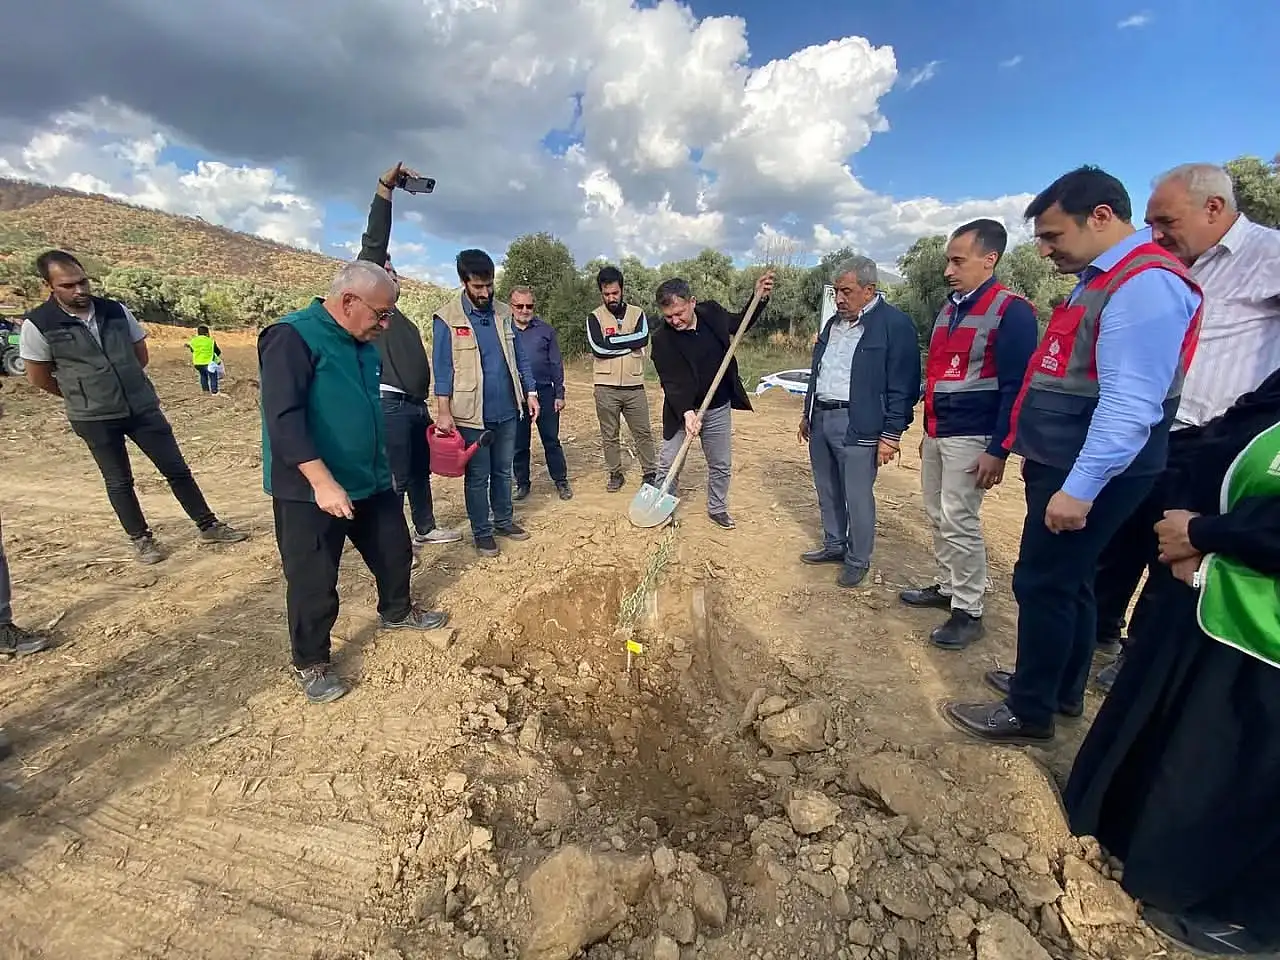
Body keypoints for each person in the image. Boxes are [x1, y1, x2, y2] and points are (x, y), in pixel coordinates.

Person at [941, 166, 1202, 744]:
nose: (1042, 248)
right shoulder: (1105, 277)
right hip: (1075, 458)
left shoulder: (1143, 284)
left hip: (1094, 466)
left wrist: (1080, 487)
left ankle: (1029, 710)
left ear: (1101, 217)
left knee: (1044, 582)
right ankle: (1057, 688)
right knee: (1074, 581)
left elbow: (1131, 404)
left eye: (1054, 235)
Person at [1064, 368, 1280, 956]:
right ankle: (1133, 837)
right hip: (1214, 594)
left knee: (1249, 755)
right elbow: (1219, 439)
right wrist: (1188, 534)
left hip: (1264, 621)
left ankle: (1247, 916)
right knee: (1183, 732)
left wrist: (1209, 533)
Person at [1092, 162, 1280, 691]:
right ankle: (1096, 636)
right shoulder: (1167, 267)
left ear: (1213, 208)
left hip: (1210, 443)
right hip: (1149, 432)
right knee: (1116, 544)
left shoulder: (1269, 256)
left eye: (1165, 220)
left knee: (1170, 557)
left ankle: (1139, 662)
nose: (1156, 233)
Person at [259, 261, 449, 704]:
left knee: (394, 549)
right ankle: (310, 662)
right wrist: (322, 481)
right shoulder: (292, 336)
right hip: (310, 488)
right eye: (381, 314)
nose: (385, 324)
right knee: (313, 578)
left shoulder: (364, 341)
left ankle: (397, 612)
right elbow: (283, 419)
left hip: (369, 477)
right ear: (348, 302)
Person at [20, 250, 247, 564]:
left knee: (177, 470)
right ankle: (141, 539)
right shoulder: (39, 324)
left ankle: (208, 525)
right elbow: (39, 376)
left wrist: (128, 383)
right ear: (49, 285)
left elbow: (140, 355)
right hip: (94, 416)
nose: (80, 290)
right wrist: (81, 394)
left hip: (141, 407)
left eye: (83, 281)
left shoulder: (114, 311)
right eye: (68, 285)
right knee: (119, 481)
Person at [901, 221, 1038, 647]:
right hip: (940, 432)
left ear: (989, 259)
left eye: (958, 260)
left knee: (960, 518)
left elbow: (1017, 387)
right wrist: (928, 430)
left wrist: (999, 449)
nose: (948, 270)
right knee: (937, 512)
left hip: (973, 436)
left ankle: (969, 609)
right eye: (948, 260)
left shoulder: (1011, 311)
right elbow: (940, 375)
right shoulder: (950, 309)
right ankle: (947, 586)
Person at [356, 162, 461, 551]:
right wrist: (386, 188)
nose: (391, 274)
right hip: (390, 405)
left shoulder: (397, 318)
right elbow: (373, 246)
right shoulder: (370, 312)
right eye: (384, 269)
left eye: (393, 270)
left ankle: (425, 528)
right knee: (397, 476)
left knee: (419, 471)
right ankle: (395, 540)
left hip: (413, 407)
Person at [799, 257, 921, 587]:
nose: (839, 298)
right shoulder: (832, 326)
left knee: (856, 494)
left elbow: (904, 385)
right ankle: (834, 545)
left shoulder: (894, 325)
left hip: (859, 422)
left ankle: (857, 558)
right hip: (822, 417)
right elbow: (819, 371)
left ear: (869, 290)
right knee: (827, 489)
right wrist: (807, 413)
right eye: (837, 291)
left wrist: (892, 434)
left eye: (846, 291)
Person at [432, 250, 539, 557]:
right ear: (463, 281)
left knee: (504, 470)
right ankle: (482, 532)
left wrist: (530, 393)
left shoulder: (504, 313)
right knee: (478, 476)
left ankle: (504, 520)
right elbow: (442, 369)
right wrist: (443, 411)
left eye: (489, 285)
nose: (485, 292)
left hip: (507, 409)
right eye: (478, 286)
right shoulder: (447, 318)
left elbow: (520, 359)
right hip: (470, 415)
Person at [649, 270, 775, 530]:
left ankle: (717, 508)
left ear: (692, 302)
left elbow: (741, 324)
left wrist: (758, 298)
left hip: (717, 404)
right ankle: (662, 508)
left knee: (720, 463)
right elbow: (670, 382)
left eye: (679, 313)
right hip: (680, 408)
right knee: (669, 462)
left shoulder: (712, 313)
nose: (674, 320)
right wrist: (686, 412)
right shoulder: (662, 339)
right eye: (668, 316)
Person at [588, 266, 658, 492]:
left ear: (622, 290)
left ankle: (650, 472)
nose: (611, 298)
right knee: (609, 434)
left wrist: (615, 342)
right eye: (607, 294)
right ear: (601, 293)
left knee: (643, 432)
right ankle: (615, 473)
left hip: (634, 386)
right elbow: (598, 348)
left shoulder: (638, 314)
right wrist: (629, 345)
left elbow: (643, 338)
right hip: (605, 387)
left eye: (615, 293)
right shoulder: (594, 317)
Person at [510, 286, 571, 501]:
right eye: (520, 306)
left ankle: (561, 481)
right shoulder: (505, 331)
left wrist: (559, 394)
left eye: (529, 306)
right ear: (512, 306)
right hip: (516, 396)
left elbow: (556, 363)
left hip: (545, 393)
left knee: (551, 440)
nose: (525, 310)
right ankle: (522, 484)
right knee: (519, 443)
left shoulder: (546, 331)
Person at [185, 325, 223, 395]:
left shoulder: (193, 341)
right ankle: (215, 392)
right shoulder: (210, 341)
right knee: (213, 376)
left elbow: (192, 350)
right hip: (208, 363)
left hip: (197, 363)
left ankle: (205, 391)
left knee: (203, 375)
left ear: (198, 333)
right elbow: (217, 351)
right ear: (207, 333)